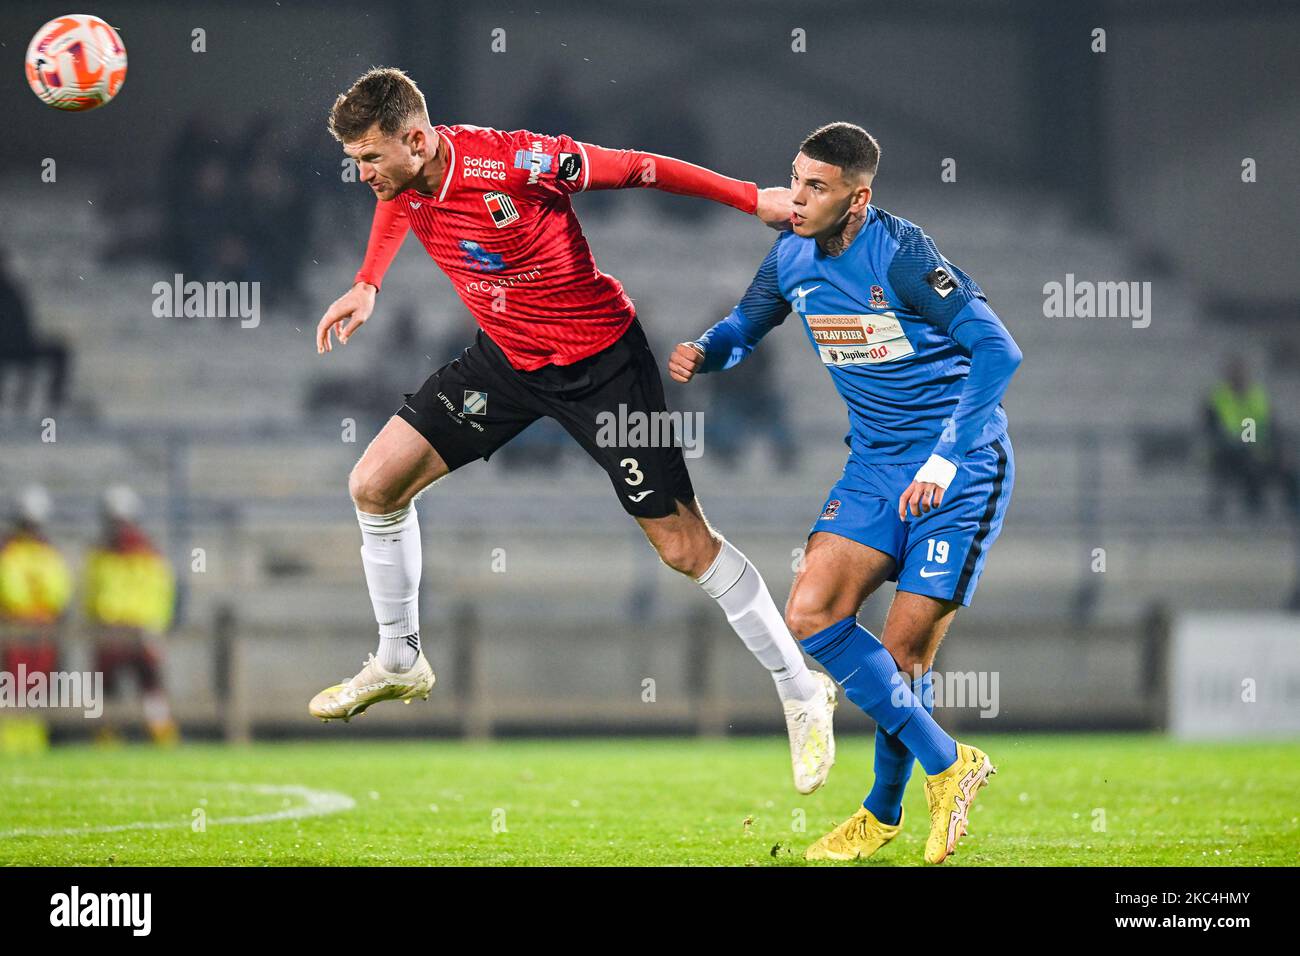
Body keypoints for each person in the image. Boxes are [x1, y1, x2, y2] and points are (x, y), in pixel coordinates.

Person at [308, 67, 837, 794]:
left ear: (417, 138)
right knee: (373, 484)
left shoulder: (518, 161)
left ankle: (802, 690)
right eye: (355, 161)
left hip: (602, 367)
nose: (362, 173)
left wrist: (752, 199)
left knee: (685, 548)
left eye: (370, 157)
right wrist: (369, 281)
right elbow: (400, 202)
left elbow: (642, 168)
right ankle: (400, 659)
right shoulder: (405, 178)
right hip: (506, 359)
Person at [670, 122, 1023, 863]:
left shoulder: (902, 255)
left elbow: (999, 348)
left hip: (957, 468)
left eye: (816, 187)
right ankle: (952, 763)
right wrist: (709, 348)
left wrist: (946, 458)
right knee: (810, 611)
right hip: (872, 468)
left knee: (902, 656)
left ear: (858, 199)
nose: (795, 198)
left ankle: (882, 811)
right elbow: (747, 323)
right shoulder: (791, 253)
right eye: (794, 179)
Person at [83, 485, 178, 745]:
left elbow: (162, 593)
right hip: (111, 629)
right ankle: (106, 739)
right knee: (107, 690)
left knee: (151, 689)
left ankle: (163, 738)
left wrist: (155, 626)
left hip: (140, 629)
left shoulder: (147, 555)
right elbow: (92, 593)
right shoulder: (103, 555)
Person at [0, 486, 72, 753]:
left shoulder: (42, 554)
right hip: (16, 627)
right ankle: (11, 742)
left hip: (38, 628)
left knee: (34, 686)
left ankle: (31, 742)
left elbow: (59, 592)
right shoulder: (15, 552)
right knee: (14, 686)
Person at [1203, 355, 1300, 519]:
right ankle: (1255, 508)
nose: (1240, 376)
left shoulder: (1258, 395)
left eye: (1242, 372)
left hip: (1259, 449)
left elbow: (1271, 426)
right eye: (1235, 372)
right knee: (1251, 462)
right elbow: (1213, 431)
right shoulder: (1217, 398)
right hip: (1230, 453)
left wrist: (1281, 449)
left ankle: (1294, 508)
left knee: (1288, 465)